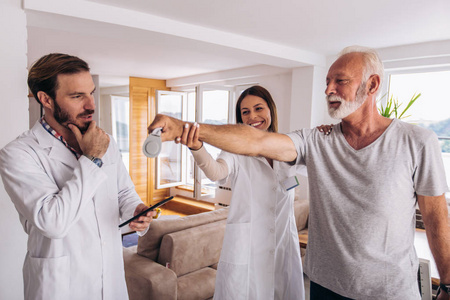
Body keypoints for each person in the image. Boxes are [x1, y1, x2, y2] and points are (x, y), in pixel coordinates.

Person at [149, 46, 450, 300]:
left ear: (372, 85)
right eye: (327, 81)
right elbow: (252, 145)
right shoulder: (315, 141)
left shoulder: (417, 142)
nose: (328, 89)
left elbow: (436, 218)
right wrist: (188, 132)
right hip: (324, 284)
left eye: (340, 80)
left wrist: (447, 281)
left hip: (388, 290)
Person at [0, 53, 154, 300]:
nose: (90, 105)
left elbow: (124, 192)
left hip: (111, 277)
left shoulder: (107, 142)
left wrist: (135, 210)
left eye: (91, 92)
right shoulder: (18, 154)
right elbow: (53, 222)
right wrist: (91, 159)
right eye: (77, 96)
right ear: (46, 99)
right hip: (61, 285)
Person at [177, 86, 308, 299]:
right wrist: (197, 148)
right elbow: (216, 172)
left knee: (283, 290)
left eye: (258, 108)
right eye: (245, 112)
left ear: (271, 111)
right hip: (247, 244)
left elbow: (317, 167)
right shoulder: (235, 150)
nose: (253, 116)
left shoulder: (287, 147)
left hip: (283, 241)